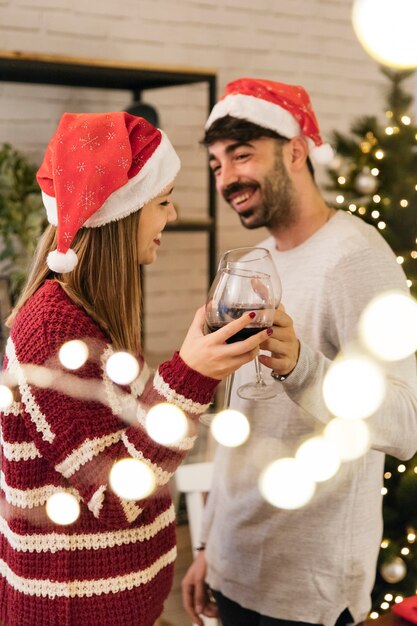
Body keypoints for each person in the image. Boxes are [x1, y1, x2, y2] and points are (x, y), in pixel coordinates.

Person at [0, 111, 272, 626]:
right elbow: (112, 492)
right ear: (119, 214)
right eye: (162, 201)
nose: (172, 215)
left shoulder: (86, 317)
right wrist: (191, 373)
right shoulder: (52, 329)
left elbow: (120, 443)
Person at [182, 78, 417, 626]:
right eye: (216, 164)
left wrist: (300, 365)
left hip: (310, 589)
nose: (228, 178)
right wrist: (208, 546)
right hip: (236, 568)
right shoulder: (251, 262)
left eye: (242, 155)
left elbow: (406, 423)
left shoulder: (358, 259)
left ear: (295, 150)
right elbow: (239, 419)